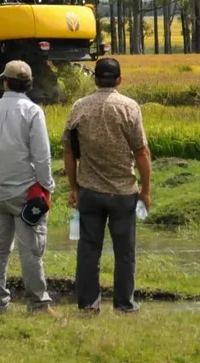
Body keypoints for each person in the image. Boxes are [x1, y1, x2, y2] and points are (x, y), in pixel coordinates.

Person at [62, 57, 151, 314]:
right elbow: (141, 152)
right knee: (125, 252)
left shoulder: (80, 107)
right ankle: (124, 304)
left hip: (89, 190)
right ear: (119, 80)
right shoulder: (129, 108)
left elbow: (69, 152)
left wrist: (74, 187)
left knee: (89, 250)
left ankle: (88, 304)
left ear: (94, 78)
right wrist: (145, 190)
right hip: (124, 192)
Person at [0, 60, 55, 313]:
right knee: (30, 251)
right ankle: (38, 304)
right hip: (26, 192)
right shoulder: (33, 112)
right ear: (28, 84)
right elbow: (41, 156)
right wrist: (47, 186)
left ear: (5, 82)